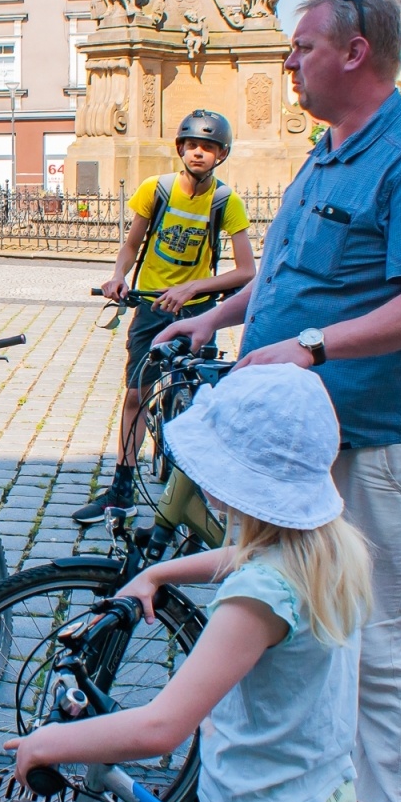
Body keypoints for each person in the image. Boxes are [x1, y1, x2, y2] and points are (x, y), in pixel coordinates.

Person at [157, 0, 401, 802]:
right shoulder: (327, 153)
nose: (288, 61)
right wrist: (215, 319)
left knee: (389, 643)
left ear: (355, 52)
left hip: (376, 437)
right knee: (315, 624)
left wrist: (313, 345)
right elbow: (287, 270)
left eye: (303, 47)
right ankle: (322, 799)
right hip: (304, 439)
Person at [9, 363, 372, 802]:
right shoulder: (330, 549)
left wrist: (52, 742)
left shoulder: (257, 599)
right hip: (322, 796)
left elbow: (161, 727)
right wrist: (160, 572)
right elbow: (250, 556)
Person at [76, 109, 256, 525]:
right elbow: (130, 246)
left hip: (196, 312)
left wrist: (195, 287)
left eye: (208, 148)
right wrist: (118, 277)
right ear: (180, 148)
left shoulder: (226, 201)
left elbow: (247, 271)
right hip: (151, 306)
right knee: (137, 394)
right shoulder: (155, 190)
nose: (199, 153)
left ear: (221, 155)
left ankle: (191, 490)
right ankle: (121, 488)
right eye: (192, 145)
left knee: (196, 398)